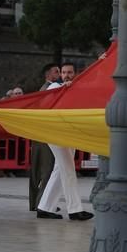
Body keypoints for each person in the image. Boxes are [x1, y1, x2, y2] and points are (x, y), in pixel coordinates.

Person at [37, 62, 94, 221]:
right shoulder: (55, 86)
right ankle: (75, 210)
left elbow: (90, 78)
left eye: (69, 72)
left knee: (60, 169)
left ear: (75, 73)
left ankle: (44, 207)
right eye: (63, 72)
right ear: (60, 74)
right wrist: (66, 86)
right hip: (56, 134)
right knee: (68, 168)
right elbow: (55, 92)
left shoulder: (76, 88)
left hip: (68, 133)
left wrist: (100, 61)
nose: (66, 75)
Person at [28, 62, 60, 212]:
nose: (59, 74)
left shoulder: (43, 89)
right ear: (48, 74)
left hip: (38, 135)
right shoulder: (49, 89)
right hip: (45, 135)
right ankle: (43, 203)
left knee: (36, 171)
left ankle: (35, 202)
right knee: (47, 170)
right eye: (56, 72)